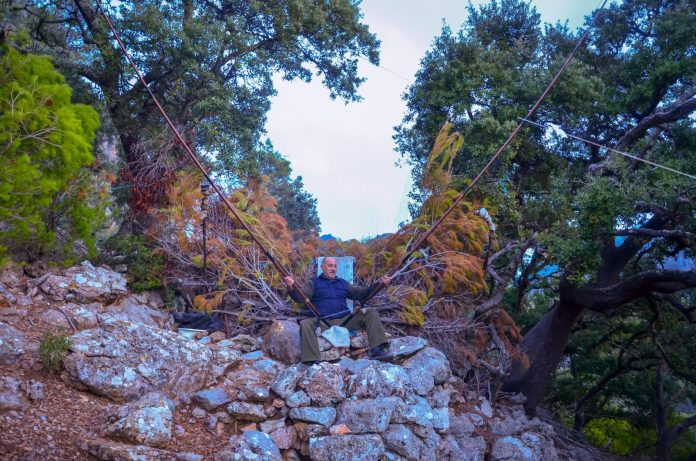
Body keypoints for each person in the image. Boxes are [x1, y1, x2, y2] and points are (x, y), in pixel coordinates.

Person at [283, 257, 392, 365]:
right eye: (330, 265)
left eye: (335, 266)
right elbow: (300, 298)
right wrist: (291, 287)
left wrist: (379, 284)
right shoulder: (313, 283)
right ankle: (311, 361)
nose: (333, 269)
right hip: (323, 322)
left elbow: (362, 293)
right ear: (322, 267)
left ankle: (379, 349)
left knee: (370, 313)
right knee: (305, 323)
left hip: (346, 320)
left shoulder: (343, 283)